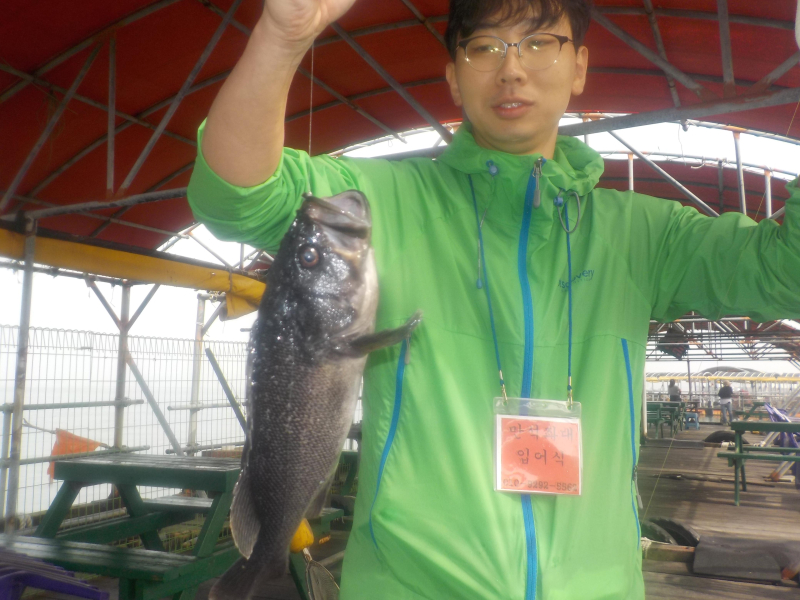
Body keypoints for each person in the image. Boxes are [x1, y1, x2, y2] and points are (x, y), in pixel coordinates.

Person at [187, 0, 800, 597]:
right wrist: (283, 35)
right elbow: (235, 197)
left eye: (540, 43)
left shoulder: (647, 234)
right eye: (485, 46)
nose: (512, 68)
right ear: (454, 77)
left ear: (580, 66)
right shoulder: (381, 202)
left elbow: (785, 274)